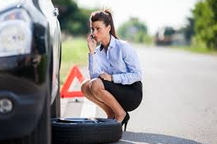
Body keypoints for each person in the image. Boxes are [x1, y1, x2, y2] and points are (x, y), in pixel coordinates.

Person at [81, 9, 143, 131]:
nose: (94, 33)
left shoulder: (123, 47)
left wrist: (112, 78)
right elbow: (94, 77)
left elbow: (137, 75)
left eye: (98, 29)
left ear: (108, 27)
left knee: (95, 84)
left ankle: (120, 114)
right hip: (114, 90)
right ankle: (111, 114)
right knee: (85, 86)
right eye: (92, 29)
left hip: (132, 92)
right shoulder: (97, 52)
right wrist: (92, 51)